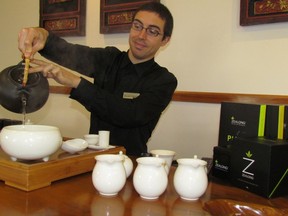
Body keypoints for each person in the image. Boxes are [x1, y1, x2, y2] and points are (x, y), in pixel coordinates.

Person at [18, 2, 177, 156]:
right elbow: (70, 53)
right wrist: (42, 36)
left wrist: (75, 82)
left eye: (152, 31)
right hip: (92, 159)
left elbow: (129, 114)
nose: (141, 36)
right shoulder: (108, 59)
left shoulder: (164, 80)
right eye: (137, 26)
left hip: (132, 162)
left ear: (165, 40)